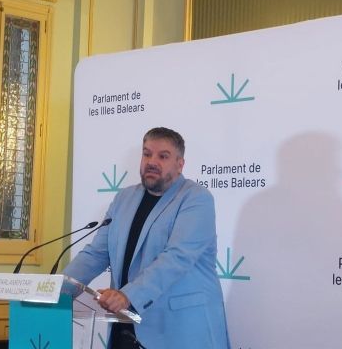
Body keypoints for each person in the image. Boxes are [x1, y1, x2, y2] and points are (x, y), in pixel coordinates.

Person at [63, 127, 231, 348]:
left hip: (180, 330)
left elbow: (177, 257)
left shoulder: (196, 199)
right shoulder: (124, 198)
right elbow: (96, 254)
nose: (152, 161)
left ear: (180, 164)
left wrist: (128, 296)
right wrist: (58, 290)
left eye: (163, 156)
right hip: (125, 326)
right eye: (147, 154)